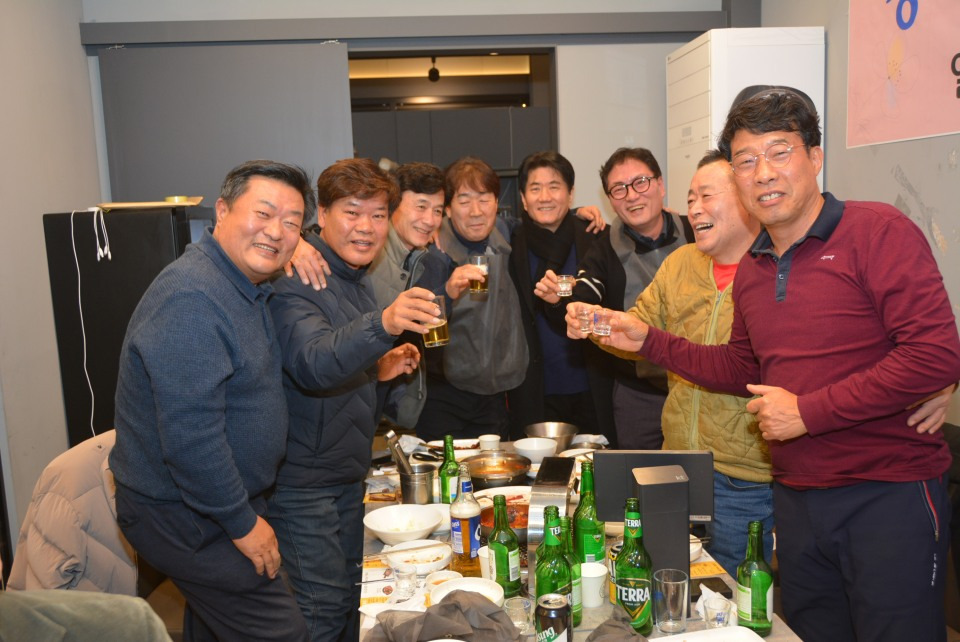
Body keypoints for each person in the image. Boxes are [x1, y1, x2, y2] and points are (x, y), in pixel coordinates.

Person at [571, 89, 960, 642]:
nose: (764, 173)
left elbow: (934, 355)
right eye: (747, 160)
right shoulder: (755, 269)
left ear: (815, 157)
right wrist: (649, 341)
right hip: (796, 498)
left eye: (780, 152)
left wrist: (808, 412)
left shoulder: (877, 231)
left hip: (885, 493)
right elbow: (739, 368)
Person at [110, 160, 312, 641]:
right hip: (186, 513)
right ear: (222, 211)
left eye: (291, 222)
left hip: (214, 502)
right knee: (281, 633)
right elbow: (190, 440)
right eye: (263, 213)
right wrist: (242, 523)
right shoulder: (193, 298)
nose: (276, 231)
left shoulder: (242, 285)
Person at [267, 158, 437, 641]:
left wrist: (379, 370)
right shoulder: (296, 276)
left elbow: (338, 367)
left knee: (350, 599)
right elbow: (312, 363)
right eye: (352, 212)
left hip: (344, 473)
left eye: (378, 214)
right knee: (321, 610)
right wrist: (383, 324)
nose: (366, 227)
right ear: (322, 214)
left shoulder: (353, 276)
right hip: (304, 484)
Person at [544, 147, 690, 449]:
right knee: (638, 473)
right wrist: (568, 304)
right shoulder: (603, 248)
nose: (632, 195)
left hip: (700, 386)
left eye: (641, 182)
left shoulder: (695, 231)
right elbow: (586, 289)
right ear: (610, 200)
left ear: (660, 185)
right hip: (639, 394)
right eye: (619, 189)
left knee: (701, 473)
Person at [414, 157, 529, 441]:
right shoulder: (430, 253)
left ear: (496, 203)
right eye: (464, 201)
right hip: (442, 395)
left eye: (484, 199)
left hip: (493, 394)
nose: (476, 211)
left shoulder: (505, 234)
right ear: (448, 208)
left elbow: (544, 219)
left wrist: (581, 213)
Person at [507, 150, 616, 440]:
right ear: (523, 198)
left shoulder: (596, 237)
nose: (545, 197)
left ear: (570, 194)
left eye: (554, 186)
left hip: (592, 383)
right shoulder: (510, 244)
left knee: (593, 462)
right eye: (535, 188)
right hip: (533, 389)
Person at [366, 162, 483, 428]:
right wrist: (303, 243)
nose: (430, 220)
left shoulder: (430, 261)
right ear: (394, 205)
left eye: (437, 211)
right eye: (420, 207)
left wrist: (448, 293)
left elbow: (422, 328)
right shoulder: (366, 252)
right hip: (356, 395)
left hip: (398, 400)